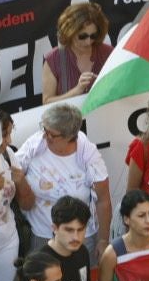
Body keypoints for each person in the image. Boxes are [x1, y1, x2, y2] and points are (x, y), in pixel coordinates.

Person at [17, 103, 113, 250]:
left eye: (51, 134)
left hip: (80, 238)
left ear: (70, 137)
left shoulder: (89, 156)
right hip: (42, 235)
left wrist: (102, 241)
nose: (45, 135)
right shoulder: (34, 145)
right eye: (44, 129)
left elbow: (103, 200)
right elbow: (13, 171)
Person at [41, 4, 111, 105]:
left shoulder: (107, 53)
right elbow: (46, 102)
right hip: (69, 119)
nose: (88, 41)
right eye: (82, 36)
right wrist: (77, 91)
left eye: (93, 36)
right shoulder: (53, 59)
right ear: (70, 32)